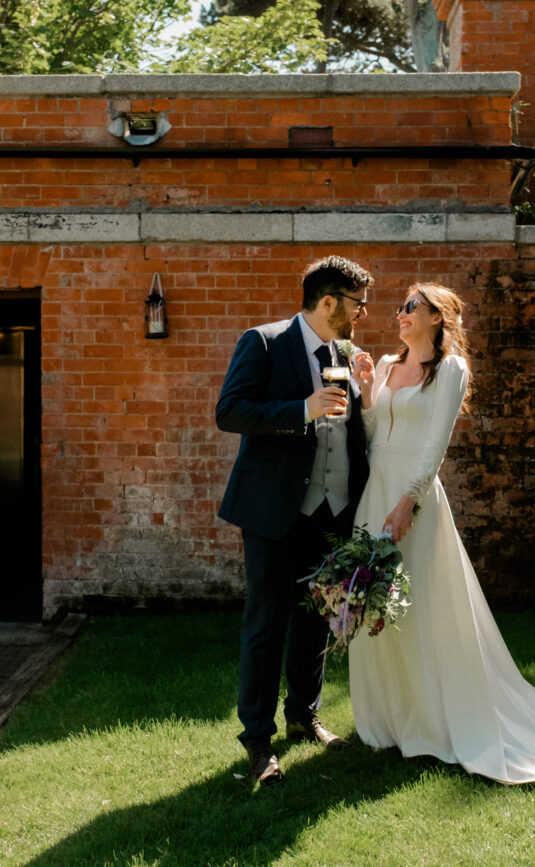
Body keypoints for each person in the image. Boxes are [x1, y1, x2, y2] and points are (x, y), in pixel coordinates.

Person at [349, 283, 535, 784]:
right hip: (374, 493)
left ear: (436, 317)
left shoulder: (450, 370)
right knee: (375, 605)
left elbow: (436, 444)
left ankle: (437, 717)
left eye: (410, 306)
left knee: (421, 605)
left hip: (413, 498)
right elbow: (368, 434)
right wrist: (367, 390)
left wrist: (410, 499)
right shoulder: (384, 364)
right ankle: (389, 718)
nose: (399, 313)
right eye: (401, 306)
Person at [216, 255, 377, 787]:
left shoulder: (343, 353)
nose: (364, 314)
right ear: (328, 302)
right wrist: (301, 410)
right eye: (357, 304)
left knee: (318, 616)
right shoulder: (264, 342)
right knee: (266, 624)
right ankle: (258, 741)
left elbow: (351, 432)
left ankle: (303, 716)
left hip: (332, 511)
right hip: (274, 510)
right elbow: (231, 411)